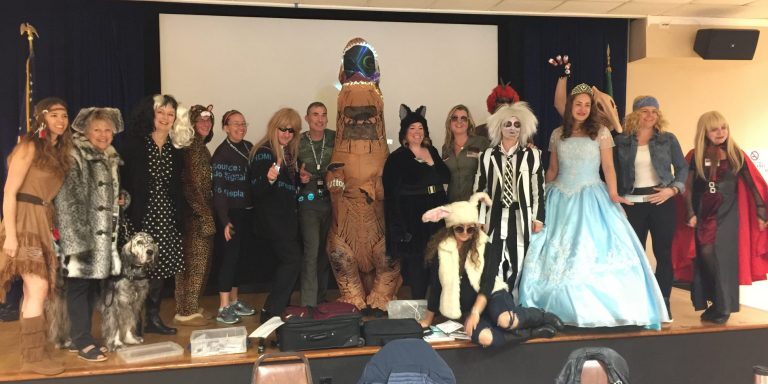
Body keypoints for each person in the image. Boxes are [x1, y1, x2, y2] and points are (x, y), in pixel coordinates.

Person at [518, 84, 669, 329]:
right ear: (570, 107)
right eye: (578, 104)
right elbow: (554, 169)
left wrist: (613, 195)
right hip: (560, 197)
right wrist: (539, 198)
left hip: (592, 196)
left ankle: (602, 310)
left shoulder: (600, 132)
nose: (582, 109)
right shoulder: (558, 134)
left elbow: (608, 167)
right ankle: (555, 309)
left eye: (587, 105)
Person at [419, 193, 563, 347]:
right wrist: (428, 319)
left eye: (471, 229)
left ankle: (540, 315)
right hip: (469, 309)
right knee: (485, 338)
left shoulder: (486, 246)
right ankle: (532, 333)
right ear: (450, 229)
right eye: (459, 228)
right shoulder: (441, 251)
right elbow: (436, 286)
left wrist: (475, 312)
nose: (465, 233)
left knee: (505, 321)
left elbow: (488, 283)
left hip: (492, 295)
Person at [673, 111, 768, 324]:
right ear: (705, 131)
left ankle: (724, 306)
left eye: (723, 128)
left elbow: (753, 184)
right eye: (714, 129)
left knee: (722, 259)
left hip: (728, 212)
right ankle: (715, 301)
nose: (720, 132)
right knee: (705, 256)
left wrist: (761, 211)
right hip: (704, 212)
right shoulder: (695, 154)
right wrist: (689, 212)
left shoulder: (736, 153)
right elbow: (687, 186)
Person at [0, 97, 73, 375]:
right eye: (54, 115)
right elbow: (9, 191)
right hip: (23, 219)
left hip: (42, 219)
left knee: (36, 290)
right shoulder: (28, 146)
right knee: (38, 288)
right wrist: (11, 235)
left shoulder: (57, 153)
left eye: (64, 116)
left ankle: (35, 353)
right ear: (42, 118)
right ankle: (32, 358)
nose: (61, 120)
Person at [54, 107, 124, 362]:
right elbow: (66, 200)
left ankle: (79, 337)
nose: (103, 134)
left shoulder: (109, 156)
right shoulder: (76, 156)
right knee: (79, 287)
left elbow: (107, 196)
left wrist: (122, 199)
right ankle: (82, 341)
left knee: (90, 287)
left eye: (108, 130)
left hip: (102, 239)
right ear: (85, 131)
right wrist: (75, 242)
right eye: (97, 130)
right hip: (82, 238)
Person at [613, 96, 688, 319]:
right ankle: (637, 302)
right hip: (632, 204)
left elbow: (682, 168)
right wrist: (617, 199)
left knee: (663, 253)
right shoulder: (622, 141)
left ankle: (664, 302)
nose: (650, 115)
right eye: (645, 111)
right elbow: (611, 171)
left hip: (662, 202)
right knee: (634, 255)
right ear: (635, 114)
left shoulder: (668, 139)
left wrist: (673, 189)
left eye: (654, 111)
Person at [119, 95, 185, 335]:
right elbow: (122, 179)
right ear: (151, 114)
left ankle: (153, 318)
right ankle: (133, 322)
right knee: (138, 271)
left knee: (160, 270)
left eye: (171, 114)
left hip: (167, 216)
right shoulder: (135, 144)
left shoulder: (176, 149)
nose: (166, 118)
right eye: (161, 113)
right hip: (141, 216)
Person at [474, 102, 544, 296]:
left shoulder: (532, 155)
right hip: (494, 215)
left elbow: (538, 189)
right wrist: (479, 219)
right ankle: (495, 303)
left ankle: (512, 305)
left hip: (520, 216)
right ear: (499, 127)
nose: (512, 128)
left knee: (518, 262)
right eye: (508, 124)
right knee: (492, 261)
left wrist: (538, 217)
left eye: (517, 125)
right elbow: (481, 189)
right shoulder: (487, 156)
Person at [383, 105, 450, 300]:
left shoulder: (432, 150)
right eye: (412, 128)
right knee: (418, 262)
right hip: (413, 214)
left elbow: (446, 176)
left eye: (420, 128)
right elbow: (391, 194)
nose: (417, 132)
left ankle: (436, 306)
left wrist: (432, 163)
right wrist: (398, 226)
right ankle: (420, 305)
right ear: (404, 132)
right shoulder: (396, 158)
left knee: (439, 258)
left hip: (437, 210)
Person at [250, 108, 310, 322]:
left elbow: (289, 191)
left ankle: (279, 307)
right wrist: (269, 179)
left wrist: (300, 183)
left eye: (291, 130)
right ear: (274, 127)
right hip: (273, 221)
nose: (286, 133)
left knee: (290, 262)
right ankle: (271, 311)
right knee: (292, 261)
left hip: (286, 221)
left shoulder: (288, 154)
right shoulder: (265, 151)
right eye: (282, 128)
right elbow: (256, 189)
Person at [211, 109, 257, 324]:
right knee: (229, 259)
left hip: (247, 212)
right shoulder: (221, 154)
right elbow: (218, 190)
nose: (240, 127)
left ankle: (235, 301)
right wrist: (224, 220)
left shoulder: (249, 147)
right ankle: (223, 306)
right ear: (225, 127)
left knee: (240, 260)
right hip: (231, 214)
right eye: (235, 124)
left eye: (243, 123)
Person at [174, 104, 216, 326]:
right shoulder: (190, 148)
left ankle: (193, 304)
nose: (205, 124)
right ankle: (185, 310)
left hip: (203, 213)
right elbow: (189, 186)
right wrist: (203, 215)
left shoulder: (202, 147)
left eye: (209, 121)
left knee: (202, 262)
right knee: (192, 263)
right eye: (200, 121)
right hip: (193, 216)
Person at [297, 102, 335, 306]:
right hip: (309, 201)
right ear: (307, 118)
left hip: (332, 200)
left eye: (323, 115)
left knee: (324, 252)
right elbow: (289, 171)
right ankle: (309, 303)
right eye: (315, 115)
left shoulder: (335, 138)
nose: (320, 119)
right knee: (311, 250)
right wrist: (298, 177)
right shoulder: (298, 141)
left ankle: (321, 297)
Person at [441, 105, 489, 203]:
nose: (459, 121)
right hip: (453, 205)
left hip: (475, 204)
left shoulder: (481, 142)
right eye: (455, 118)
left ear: (469, 122)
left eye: (463, 118)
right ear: (449, 123)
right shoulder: (446, 148)